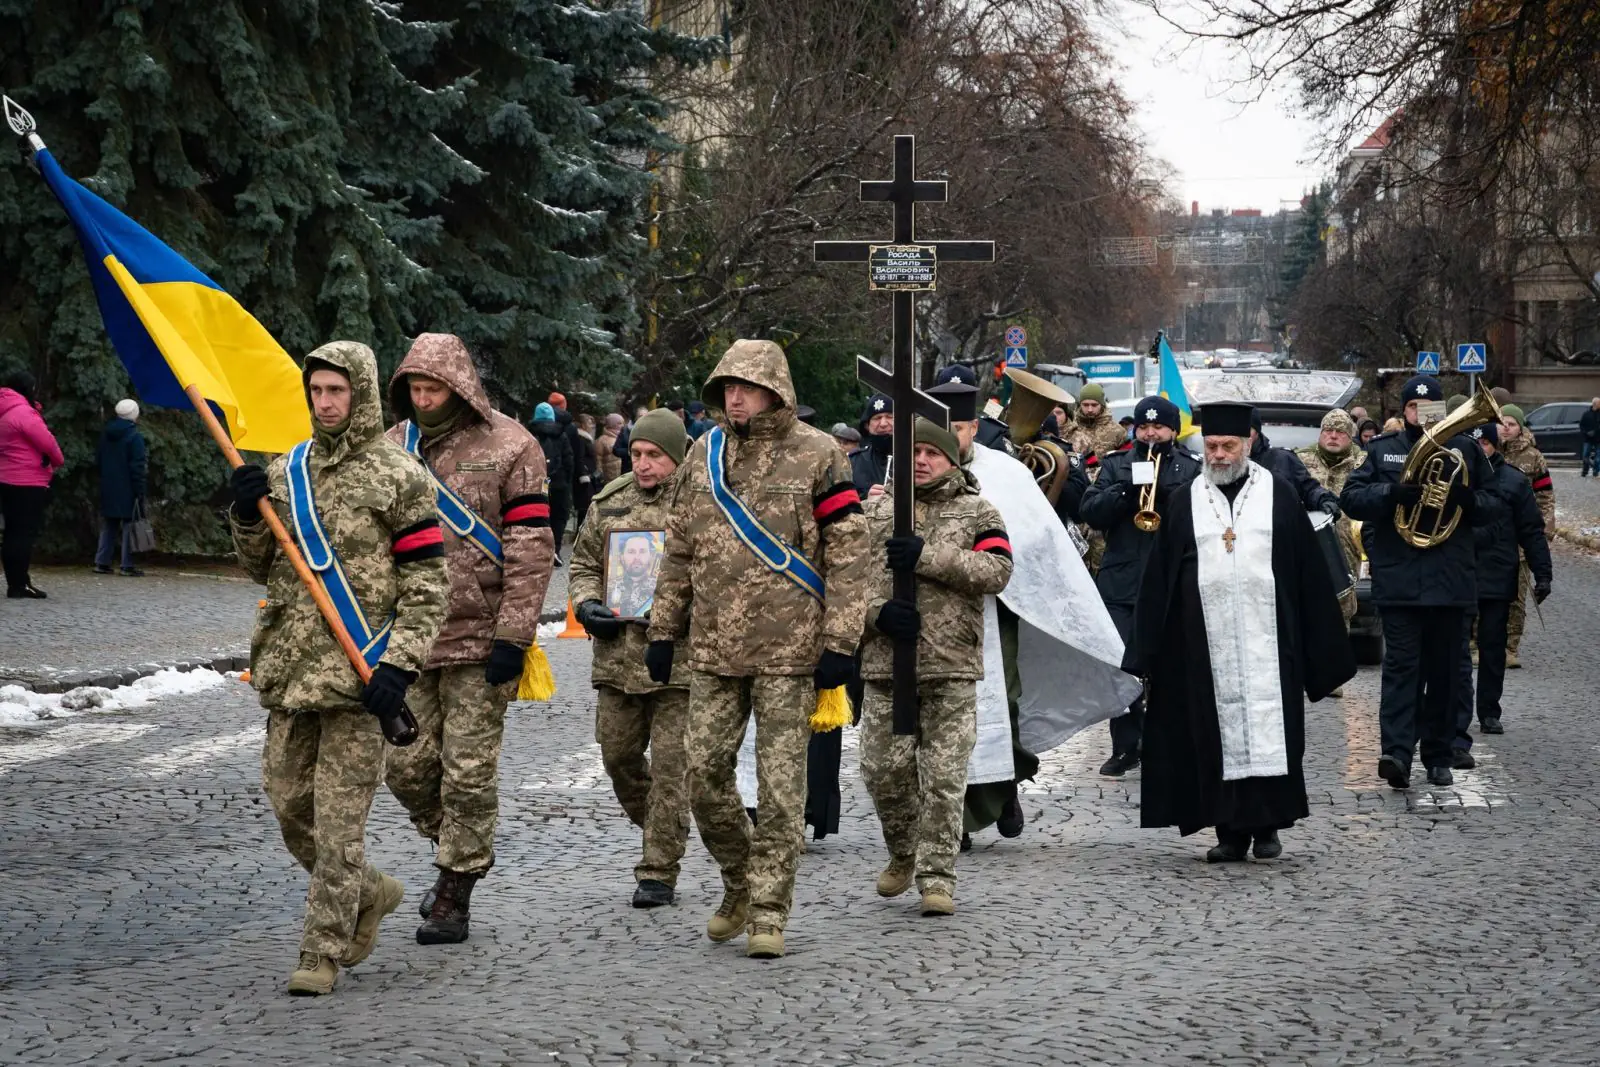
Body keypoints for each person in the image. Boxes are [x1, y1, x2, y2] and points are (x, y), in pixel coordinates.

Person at [229, 340, 449, 995]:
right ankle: (370, 892)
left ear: (362, 393)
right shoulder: (286, 467)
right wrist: (245, 514)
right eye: (317, 391)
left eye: (337, 391)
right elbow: (259, 565)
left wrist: (400, 664)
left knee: (338, 825)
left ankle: (321, 951)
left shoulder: (401, 475)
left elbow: (428, 580)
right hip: (293, 673)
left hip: (361, 678)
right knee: (290, 805)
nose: (325, 403)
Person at [646, 339, 869, 960]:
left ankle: (769, 908)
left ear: (776, 388)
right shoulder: (704, 452)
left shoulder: (820, 453)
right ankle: (741, 877)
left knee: (779, 790)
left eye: (745, 386)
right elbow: (680, 547)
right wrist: (664, 630)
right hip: (714, 648)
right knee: (701, 775)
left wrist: (841, 641)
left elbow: (849, 555)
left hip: (792, 652)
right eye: (726, 388)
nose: (733, 397)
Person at [381, 333, 555, 945]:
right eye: (414, 390)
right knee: (404, 769)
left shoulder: (513, 445)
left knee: (468, 773)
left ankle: (454, 887)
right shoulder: (391, 448)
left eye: (434, 389)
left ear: (460, 388)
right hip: (409, 639)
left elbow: (532, 547)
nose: (424, 400)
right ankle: (462, 843)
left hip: (481, 637)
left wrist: (515, 635)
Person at [1129, 402, 1354, 861]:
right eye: (1211, 446)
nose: (1219, 455)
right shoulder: (1185, 500)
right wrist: (1147, 649)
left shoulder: (1281, 495)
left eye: (1228, 446)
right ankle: (1228, 831)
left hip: (1272, 641)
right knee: (1210, 732)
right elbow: (1160, 577)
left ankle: (1268, 826)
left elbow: (1308, 574)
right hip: (1203, 644)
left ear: (1247, 444)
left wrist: (1321, 646)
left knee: (1273, 726)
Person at [930, 380, 1143, 848]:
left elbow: (1038, 539)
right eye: (943, 427)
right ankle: (952, 820)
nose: (953, 438)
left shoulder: (1004, 471)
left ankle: (1004, 789)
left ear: (973, 428)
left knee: (1000, 704)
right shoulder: (912, 470)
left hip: (997, 607)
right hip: (931, 616)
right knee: (939, 715)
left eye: (962, 428)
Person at [859, 418, 1012, 915]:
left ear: (952, 459)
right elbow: (840, 585)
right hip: (886, 667)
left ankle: (936, 877)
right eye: (914, 452)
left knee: (944, 778)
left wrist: (928, 556)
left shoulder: (977, 511)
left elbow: (997, 571)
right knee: (882, 771)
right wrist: (875, 615)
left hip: (950, 665)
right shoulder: (874, 513)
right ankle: (904, 851)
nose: (921, 461)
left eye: (933, 453)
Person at [1340, 375, 1498, 790]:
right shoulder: (1381, 451)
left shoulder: (1464, 450)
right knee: (1400, 671)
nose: (1422, 415)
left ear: (1442, 411)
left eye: (1430, 409)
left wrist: (1468, 500)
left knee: (1445, 673)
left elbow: (1498, 506)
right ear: (1404, 410)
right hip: (1401, 583)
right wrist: (1394, 495)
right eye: (1414, 408)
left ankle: (1439, 754)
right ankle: (1396, 753)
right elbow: (1352, 498)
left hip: (1451, 583)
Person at [570, 408, 693, 908]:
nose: (642, 465)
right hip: (618, 660)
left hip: (679, 663)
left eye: (654, 456)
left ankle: (659, 868)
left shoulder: (698, 503)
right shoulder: (610, 503)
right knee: (618, 759)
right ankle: (666, 826)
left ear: (676, 459)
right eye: (636, 454)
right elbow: (581, 563)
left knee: (671, 769)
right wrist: (586, 603)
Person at [1079, 396, 1202, 776]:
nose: (1150, 433)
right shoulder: (1117, 464)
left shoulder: (1190, 468)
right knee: (1121, 666)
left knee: (1169, 665)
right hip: (1122, 580)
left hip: (1171, 581)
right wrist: (1125, 494)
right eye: (1144, 428)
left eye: (1159, 428)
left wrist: (1169, 496)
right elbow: (1089, 512)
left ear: (1172, 430)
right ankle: (1126, 744)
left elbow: (1201, 519)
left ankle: (1164, 742)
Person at [1452, 421, 1552, 764]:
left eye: (1486, 442)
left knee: (1493, 646)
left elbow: (1531, 529)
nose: (1481, 448)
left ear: (1496, 445)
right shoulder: (1456, 477)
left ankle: (1489, 710)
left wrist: (1543, 573)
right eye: (1475, 442)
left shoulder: (1513, 480)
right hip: (1459, 573)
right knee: (1457, 647)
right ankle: (1456, 712)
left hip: (1497, 572)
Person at [1293, 409, 1367, 627]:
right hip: (1308, 549)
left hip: (1348, 553)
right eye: (1328, 430)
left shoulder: (1363, 463)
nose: (1333, 436)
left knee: (1340, 616)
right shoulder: (1301, 460)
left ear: (1350, 435)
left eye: (1340, 432)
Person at [1497, 404, 1554, 669]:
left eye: (1512, 423)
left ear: (1520, 427)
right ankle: (1479, 642)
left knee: (1517, 597)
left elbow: (1545, 495)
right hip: (1492, 536)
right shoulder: (1487, 451)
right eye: (1502, 423)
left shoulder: (1533, 457)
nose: (1506, 428)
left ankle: (1510, 647)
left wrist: (1545, 530)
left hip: (1521, 537)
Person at [0, 371, 64, 599]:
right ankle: (19, 584)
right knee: (23, 534)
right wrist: (58, 461)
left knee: (12, 532)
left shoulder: (5, 410)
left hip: (6, 478)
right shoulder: (22, 412)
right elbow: (47, 441)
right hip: (27, 480)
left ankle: (16, 582)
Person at [94, 398, 148, 577]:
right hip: (127, 486)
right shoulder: (134, 437)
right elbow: (137, 466)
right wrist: (139, 490)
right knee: (129, 526)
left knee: (109, 524)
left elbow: (99, 460)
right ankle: (127, 564)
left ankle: (102, 561)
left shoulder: (105, 434)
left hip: (108, 484)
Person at [1249, 410, 1339, 514]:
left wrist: (1323, 499)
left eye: (1246, 430)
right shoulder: (1227, 463)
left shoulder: (1282, 459)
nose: (1241, 436)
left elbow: (1307, 489)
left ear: (1257, 432)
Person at [530, 402, 574, 564]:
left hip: (536, 483)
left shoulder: (529, 434)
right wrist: (567, 481)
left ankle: (538, 550)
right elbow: (569, 460)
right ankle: (555, 550)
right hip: (559, 483)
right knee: (559, 517)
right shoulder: (561, 435)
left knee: (539, 516)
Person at [1065, 382, 1126, 461]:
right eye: (1085, 405)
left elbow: (1126, 461)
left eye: (1094, 405)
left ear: (1102, 404)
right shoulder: (1071, 428)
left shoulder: (1118, 431)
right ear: (1080, 404)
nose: (1090, 409)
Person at [850, 393, 894, 498]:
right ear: (867, 426)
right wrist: (865, 500)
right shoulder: (853, 462)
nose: (883, 423)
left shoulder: (916, 459)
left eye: (889, 416)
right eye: (877, 418)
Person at [573, 413, 599, 533]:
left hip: (590, 475)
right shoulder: (580, 438)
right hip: (584, 477)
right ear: (582, 424)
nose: (592, 425)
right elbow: (580, 457)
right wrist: (583, 473)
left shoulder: (587, 437)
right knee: (585, 505)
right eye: (589, 422)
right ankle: (581, 531)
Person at [597, 413, 624, 485]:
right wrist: (600, 473)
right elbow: (598, 457)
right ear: (612, 424)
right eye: (619, 423)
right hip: (609, 477)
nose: (622, 425)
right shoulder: (602, 440)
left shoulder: (623, 436)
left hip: (622, 474)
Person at [1580, 397, 1600, 477]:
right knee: (1585, 456)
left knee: (1598, 458)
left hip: (1599, 439)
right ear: (1595, 404)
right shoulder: (1586, 414)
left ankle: (1595, 471)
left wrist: (1596, 431)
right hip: (1588, 439)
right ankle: (1585, 471)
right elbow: (1581, 425)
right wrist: (1586, 433)